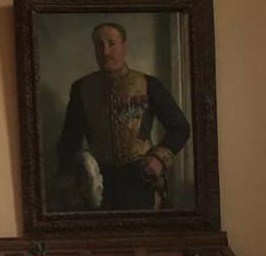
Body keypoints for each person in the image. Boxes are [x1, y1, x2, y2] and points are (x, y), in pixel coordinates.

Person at [57, 21, 191, 211]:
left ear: (123, 46)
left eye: (111, 44)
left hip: (141, 178)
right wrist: (72, 180)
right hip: (99, 184)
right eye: (99, 45)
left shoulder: (148, 84)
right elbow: (70, 140)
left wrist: (159, 160)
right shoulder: (82, 89)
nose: (105, 52)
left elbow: (180, 127)